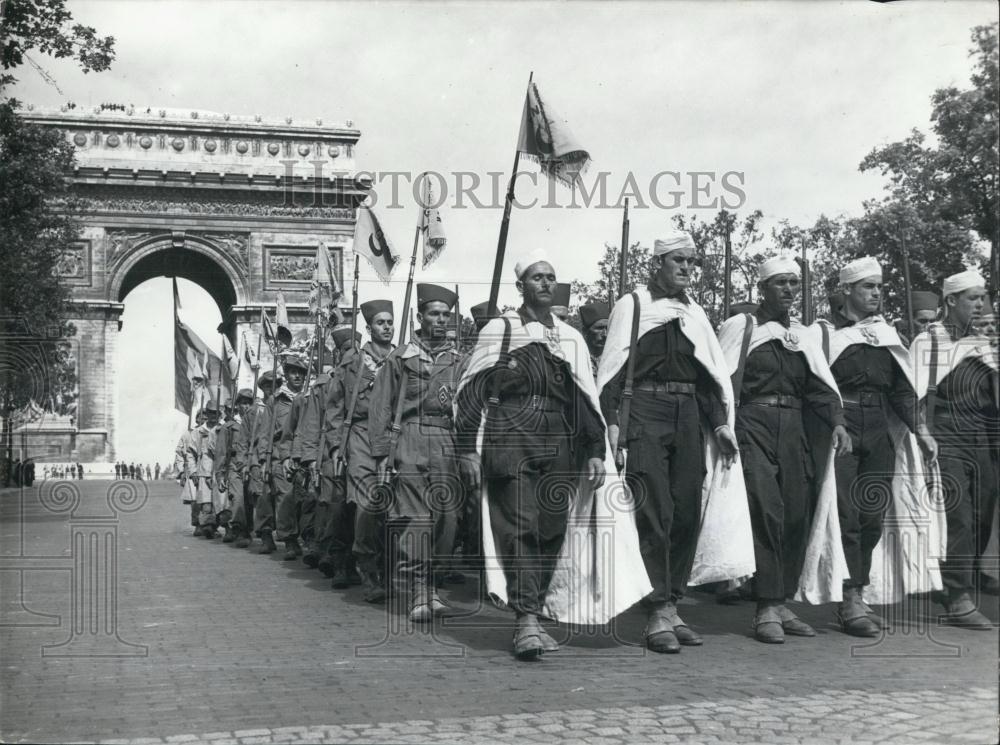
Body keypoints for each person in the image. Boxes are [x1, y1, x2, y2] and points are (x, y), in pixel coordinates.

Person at [457, 252, 651, 659]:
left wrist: (596, 450)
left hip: (560, 444)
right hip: (511, 438)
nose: (544, 283)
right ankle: (525, 619)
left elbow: (585, 399)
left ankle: (535, 611)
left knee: (550, 532)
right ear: (521, 287)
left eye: (550, 277)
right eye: (536, 278)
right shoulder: (501, 330)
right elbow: (473, 392)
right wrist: (467, 452)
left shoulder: (570, 337)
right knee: (519, 529)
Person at [596, 230, 755, 655]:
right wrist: (611, 423)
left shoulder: (695, 314)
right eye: (678, 261)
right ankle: (658, 610)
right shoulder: (633, 306)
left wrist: (720, 423)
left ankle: (672, 602)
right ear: (658, 264)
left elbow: (710, 377)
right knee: (654, 511)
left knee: (687, 510)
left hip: (688, 417)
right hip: (645, 413)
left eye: (692, 262)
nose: (687, 268)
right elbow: (613, 369)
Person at [718, 256, 851, 644]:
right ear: (762, 288)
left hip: (794, 430)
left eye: (794, 283)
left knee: (796, 511)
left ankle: (781, 601)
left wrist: (838, 422)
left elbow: (820, 387)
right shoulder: (742, 327)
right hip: (753, 425)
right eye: (781, 283)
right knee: (766, 509)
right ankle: (765, 607)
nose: (790, 290)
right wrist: (723, 425)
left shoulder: (803, 336)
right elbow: (723, 380)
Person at [816, 256, 940, 637]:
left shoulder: (886, 335)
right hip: (844, 427)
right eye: (868, 287)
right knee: (848, 515)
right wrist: (837, 424)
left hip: (878, 430)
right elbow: (819, 385)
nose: (876, 294)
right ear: (847, 291)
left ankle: (859, 592)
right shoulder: (824, 334)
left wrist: (920, 428)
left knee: (872, 515)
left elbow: (901, 390)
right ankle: (848, 600)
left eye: (880, 287)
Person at [369, 284, 465, 622]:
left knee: (447, 519)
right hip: (409, 439)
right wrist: (382, 454)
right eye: (434, 314)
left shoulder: (458, 360)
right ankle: (418, 591)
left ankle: (433, 586)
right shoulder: (401, 358)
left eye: (445, 315)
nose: (440, 320)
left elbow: (465, 408)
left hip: (445, 441)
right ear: (420, 317)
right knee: (416, 520)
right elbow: (381, 407)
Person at [911, 269, 999, 627]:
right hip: (946, 434)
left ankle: (961, 587)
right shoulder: (930, 341)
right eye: (972, 298)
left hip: (982, 436)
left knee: (982, 510)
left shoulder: (983, 343)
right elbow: (912, 393)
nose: (980, 305)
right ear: (950, 301)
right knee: (958, 516)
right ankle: (957, 598)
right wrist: (922, 432)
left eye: (982, 298)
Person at [315, 301, 396, 599]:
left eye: (390, 322)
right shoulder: (351, 365)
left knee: (395, 508)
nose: (386, 327)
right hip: (360, 436)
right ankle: (368, 569)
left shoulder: (404, 360)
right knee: (366, 505)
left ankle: (391, 568)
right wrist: (337, 445)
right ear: (369, 328)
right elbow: (334, 407)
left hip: (393, 437)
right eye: (380, 323)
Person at [273, 354, 311, 560]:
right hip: (284, 452)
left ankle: (309, 538)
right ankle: (289, 539)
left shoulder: (310, 396)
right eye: (293, 372)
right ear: (286, 375)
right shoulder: (276, 401)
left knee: (307, 498)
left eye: (301, 373)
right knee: (286, 498)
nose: (297, 376)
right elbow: (267, 434)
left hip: (306, 452)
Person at [252, 370, 282, 554]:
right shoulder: (256, 411)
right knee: (263, 497)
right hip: (258, 457)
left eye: (275, 386)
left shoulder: (283, 404)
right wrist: (261, 459)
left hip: (278, 453)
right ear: (262, 388)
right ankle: (265, 535)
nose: (272, 390)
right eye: (267, 387)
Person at [195, 402, 223, 538]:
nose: (213, 416)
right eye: (211, 413)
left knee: (220, 502)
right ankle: (207, 526)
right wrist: (196, 472)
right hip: (205, 469)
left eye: (216, 413)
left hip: (220, 469)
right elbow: (194, 453)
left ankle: (215, 526)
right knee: (206, 502)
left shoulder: (224, 429)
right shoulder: (199, 431)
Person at [579, 301, 609, 375]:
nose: (605, 334)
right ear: (585, 332)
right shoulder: (577, 358)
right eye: (599, 328)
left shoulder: (615, 358)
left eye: (608, 328)